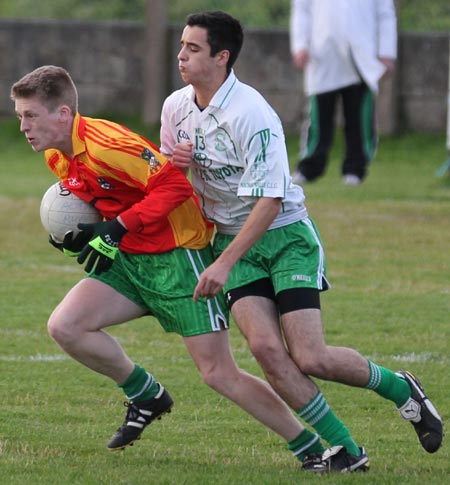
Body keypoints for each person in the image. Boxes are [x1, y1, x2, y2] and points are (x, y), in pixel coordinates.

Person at [10, 65, 339, 466]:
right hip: (131, 257)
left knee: (219, 373)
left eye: (30, 115)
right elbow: (107, 199)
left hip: (178, 257)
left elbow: (174, 186)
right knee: (66, 326)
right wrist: (83, 231)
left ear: (63, 114)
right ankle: (145, 394)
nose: (23, 126)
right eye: (19, 116)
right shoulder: (57, 156)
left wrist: (118, 227)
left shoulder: (107, 144)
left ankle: (309, 447)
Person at [160, 11, 443, 472]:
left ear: (221, 57)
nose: (181, 55)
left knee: (310, 356)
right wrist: (179, 167)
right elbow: (177, 184)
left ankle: (400, 388)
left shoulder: (252, 114)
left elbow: (271, 201)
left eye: (193, 48)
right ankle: (347, 451)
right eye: (182, 46)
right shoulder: (176, 108)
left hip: (284, 235)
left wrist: (224, 264)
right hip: (232, 241)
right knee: (267, 351)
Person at [289, 0, 398, 185]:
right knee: (319, 117)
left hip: (361, 54)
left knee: (358, 118)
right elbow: (302, 10)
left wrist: (386, 52)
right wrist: (300, 45)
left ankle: (355, 170)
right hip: (322, 54)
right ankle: (309, 168)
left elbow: (385, 14)